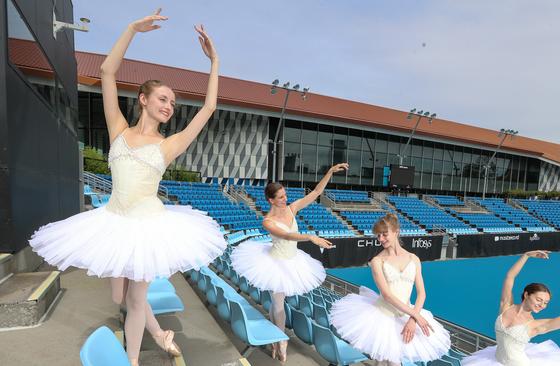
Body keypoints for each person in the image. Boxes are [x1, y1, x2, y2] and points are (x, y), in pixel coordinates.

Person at [29, 9, 226, 366]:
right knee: (120, 294)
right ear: (143, 98)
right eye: (164, 99)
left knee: (136, 299)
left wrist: (214, 62)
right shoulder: (118, 128)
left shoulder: (169, 145)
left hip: (146, 226)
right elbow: (107, 72)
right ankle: (159, 332)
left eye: (173, 103)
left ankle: (132, 360)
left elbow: (209, 107)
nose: (169, 106)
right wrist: (132, 29)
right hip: (115, 220)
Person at [230, 163, 348, 362]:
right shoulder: (267, 221)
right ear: (271, 200)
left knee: (277, 304)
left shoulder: (292, 208)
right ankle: (281, 340)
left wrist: (328, 172)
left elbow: (317, 192)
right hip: (275, 262)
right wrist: (310, 237)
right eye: (281, 197)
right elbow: (287, 235)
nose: (286, 199)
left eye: (285, 195)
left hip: (292, 260)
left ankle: (277, 339)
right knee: (278, 305)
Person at [329, 213, 451, 366]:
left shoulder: (414, 259)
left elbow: (421, 293)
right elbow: (387, 295)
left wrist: (413, 320)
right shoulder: (377, 261)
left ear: (396, 232)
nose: (380, 239)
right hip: (383, 316)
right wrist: (416, 315)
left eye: (384, 234)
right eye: (378, 235)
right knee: (388, 363)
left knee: (391, 362)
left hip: (406, 316)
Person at [462, 251, 560, 366]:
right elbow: (510, 277)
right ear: (526, 295)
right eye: (539, 300)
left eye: (546, 303)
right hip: (496, 360)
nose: (542, 305)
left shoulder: (535, 325)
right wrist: (526, 256)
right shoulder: (506, 306)